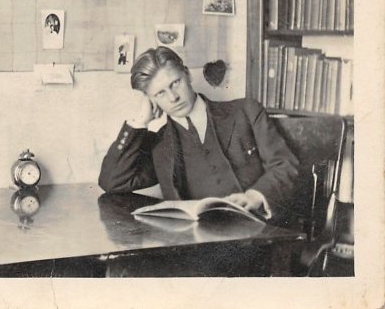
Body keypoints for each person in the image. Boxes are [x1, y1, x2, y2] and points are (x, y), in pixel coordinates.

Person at [98, 46, 299, 221]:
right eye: (160, 93)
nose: (173, 97)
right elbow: (112, 181)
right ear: (151, 100)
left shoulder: (245, 112)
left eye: (175, 83)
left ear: (187, 74)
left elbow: (284, 164)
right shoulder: (159, 143)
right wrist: (139, 122)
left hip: (258, 235)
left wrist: (255, 196)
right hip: (193, 246)